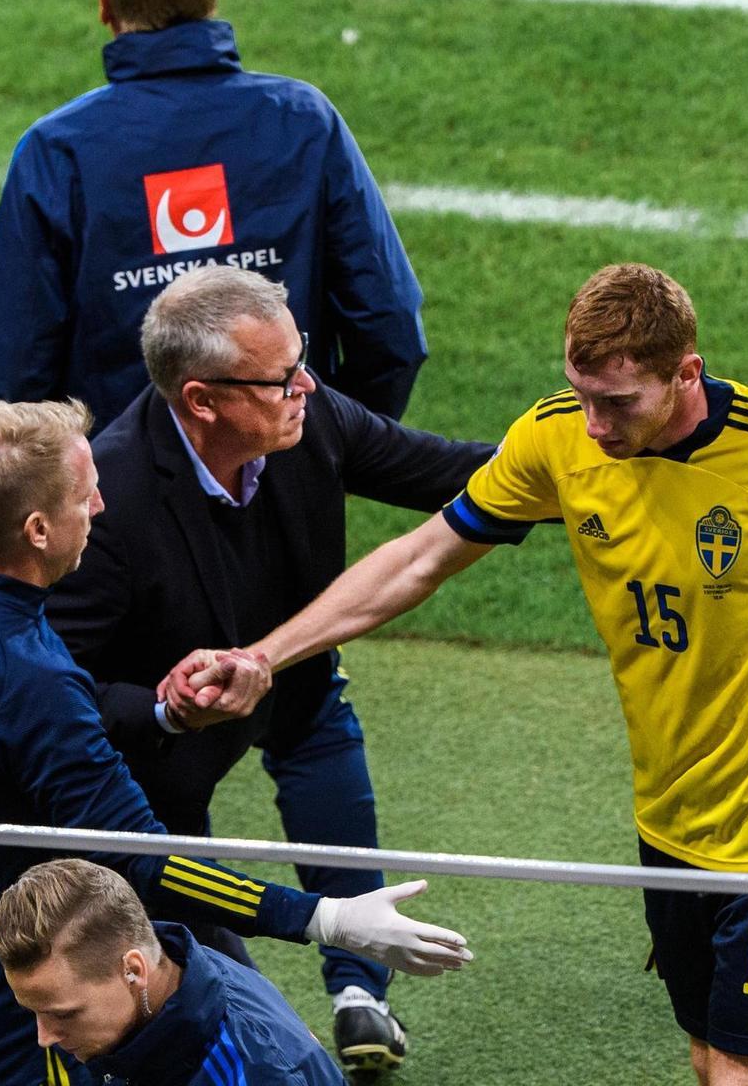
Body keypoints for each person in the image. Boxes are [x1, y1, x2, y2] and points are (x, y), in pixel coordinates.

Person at [181, 264, 748, 1086]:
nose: (596, 426)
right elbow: (421, 560)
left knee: (746, 1072)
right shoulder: (560, 439)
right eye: (582, 396)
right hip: (672, 822)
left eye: (617, 402)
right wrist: (266, 653)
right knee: (709, 1052)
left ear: (686, 373)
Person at [0, 398, 470, 1086]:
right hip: (43, 1023)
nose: (102, 506)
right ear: (37, 529)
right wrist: (325, 918)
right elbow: (144, 857)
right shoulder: (34, 679)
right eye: (86, 496)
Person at [45, 266, 493, 1075]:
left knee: (321, 735)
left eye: (303, 359)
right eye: (282, 376)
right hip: (158, 764)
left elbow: (455, 471)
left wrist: (583, 448)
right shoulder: (112, 508)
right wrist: (165, 711)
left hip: (291, 683)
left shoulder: (308, 419)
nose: (307, 385)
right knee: (218, 996)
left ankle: (362, 995)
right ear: (202, 400)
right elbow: (54, 691)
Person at [0, 0, 427, 430]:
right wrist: (327, 450)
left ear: (105, 3)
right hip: (282, 472)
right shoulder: (303, 120)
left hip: (116, 496)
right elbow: (390, 324)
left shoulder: (57, 150)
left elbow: (18, 358)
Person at [0, 858, 344, 1086]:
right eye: (34, 1012)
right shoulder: (168, 970)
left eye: (63, 1014)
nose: (45, 1036)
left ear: (133, 970)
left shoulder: (253, 1072)